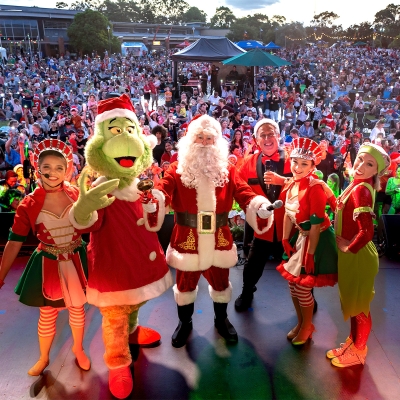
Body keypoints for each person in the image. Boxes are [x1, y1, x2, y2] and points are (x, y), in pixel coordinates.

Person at [148, 115, 272, 348]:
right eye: (200, 137)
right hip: (187, 237)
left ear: (217, 143)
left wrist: (259, 205)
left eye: (209, 138)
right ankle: (185, 323)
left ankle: (221, 319)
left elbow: (245, 193)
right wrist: (154, 197)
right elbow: (162, 188)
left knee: (221, 283)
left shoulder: (228, 170)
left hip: (219, 237)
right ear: (190, 141)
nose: (204, 143)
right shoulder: (177, 169)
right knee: (184, 285)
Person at [0, 139, 93, 376]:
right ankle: (43, 357)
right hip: (48, 262)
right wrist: (1, 275)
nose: (53, 172)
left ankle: (79, 349)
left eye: (59, 167)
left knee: (77, 309)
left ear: (67, 170)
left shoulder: (76, 193)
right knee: (47, 312)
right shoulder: (29, 203)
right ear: (37, 167)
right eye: (47, 167)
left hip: (75, 258)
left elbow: (94, 224)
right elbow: (13, 242)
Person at [318, 143, 390, 367]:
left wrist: (349, 247)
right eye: (360, 160)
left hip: (358, 256)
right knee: (353, 303)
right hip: (353, 256)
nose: (361, 166)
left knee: (359, 306)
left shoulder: (360, 190)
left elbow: (367, 232)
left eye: (369, 164)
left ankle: (359, 350)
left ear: (375, 171)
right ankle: (353, 342)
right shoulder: (356, 185)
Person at [276, 137, 338, 345]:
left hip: (316, 239)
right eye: (295, 162)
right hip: (301, 236)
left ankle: (307, 326)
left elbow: (314, 226)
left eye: (304, 164)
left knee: (302, 287)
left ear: (313, 166)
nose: (297, 167)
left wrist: (310, 253)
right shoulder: (292, 184)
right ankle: (303, 323)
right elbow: (287, 214)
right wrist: (285, 238)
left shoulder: (315, 188)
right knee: (293, 285)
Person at [234, 119, 290, 311]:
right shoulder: (247, 163)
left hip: (289, 227)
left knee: (300, 266)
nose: (267, 138)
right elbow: (239, 190)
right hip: (262, 227)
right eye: (263, 135)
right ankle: (246, 292)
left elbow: (311, 181)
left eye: (271, 134)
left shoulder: (294, 158)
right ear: (256, 140)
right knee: (252, 265)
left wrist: (284, 181)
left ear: (278, 136)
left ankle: (306, 297)